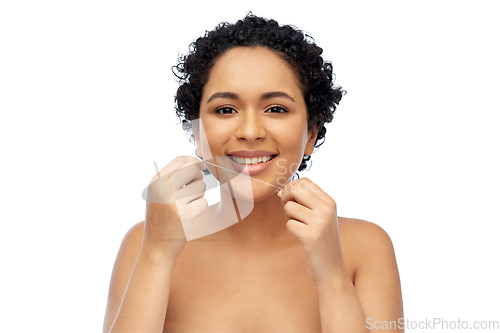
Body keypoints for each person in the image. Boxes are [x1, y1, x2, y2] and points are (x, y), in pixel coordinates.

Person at [103, 14, 404, 333]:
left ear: (312, 132)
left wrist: (331, 276)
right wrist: (157, 253)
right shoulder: (144, 243)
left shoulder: (365, 248)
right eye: (225, 110)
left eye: (276, 109)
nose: (249, 131)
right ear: (197, 131)